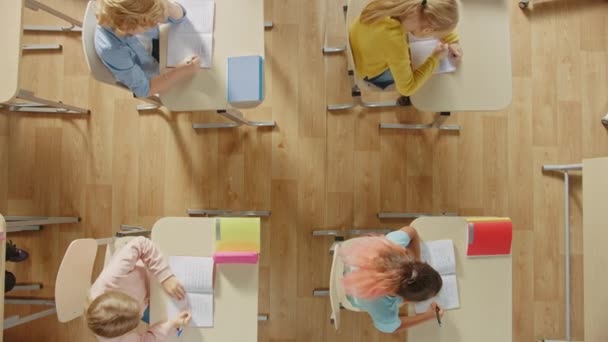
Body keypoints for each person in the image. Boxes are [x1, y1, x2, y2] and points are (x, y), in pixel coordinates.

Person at [349, 0, 463, 105]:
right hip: (371, 72)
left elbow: (430, 14)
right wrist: (435, 58)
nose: (434, 37)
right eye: (434, 34)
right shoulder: (394, 42)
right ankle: (406, 100)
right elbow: (407, 88)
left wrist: (452, 40)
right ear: (427, 30)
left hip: (359, 38)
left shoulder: (409, 4)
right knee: (425, 74)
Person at [340, 226, 444, 333]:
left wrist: (415, 269)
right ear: (405, 299)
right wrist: (427, 317)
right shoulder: (383, 308)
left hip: (351, 262)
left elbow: (411, 231)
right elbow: (392, 328)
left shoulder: (391, 247)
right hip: (353, 293)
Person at [86, 236, 191, 341]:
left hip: (150, 272)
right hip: (151, 300)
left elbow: (140, 243)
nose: (140, 313)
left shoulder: (112, 277)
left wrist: (165, 276)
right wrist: (173, 325)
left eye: (137, 309)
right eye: (138, 316)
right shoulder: (113, 339)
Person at [95, 0, 201, 98]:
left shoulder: (143, 13)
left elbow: (178, 17)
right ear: (127, 27)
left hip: (163, 44)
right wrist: (181, 70)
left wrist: (164, 6)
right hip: (157, 76)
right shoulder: (111, 50)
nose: (157, 22)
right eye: (149, 24)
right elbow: (144, 90)